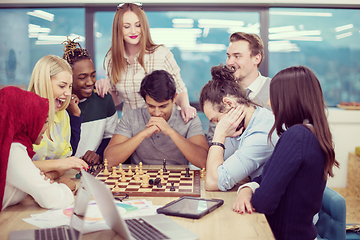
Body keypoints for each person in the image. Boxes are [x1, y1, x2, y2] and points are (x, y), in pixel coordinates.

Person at [232, 66, 339, 240]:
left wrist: (252, 192)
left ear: (290, 99)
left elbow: (263, 202)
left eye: (273, 97)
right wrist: (246, 189)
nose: (268, 103)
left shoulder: (297, 136)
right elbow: (268, 178)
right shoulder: (310, 133)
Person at [101, 3, 196, 124]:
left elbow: (179, 88)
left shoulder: (162, 54)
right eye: (127, 26)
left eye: (138, 25)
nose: (133, 31)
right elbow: (115, 99)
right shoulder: (111, 59)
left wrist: (186, 106)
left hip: (163, 125)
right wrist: (103, 88)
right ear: (118, 28)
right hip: (132, 126)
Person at [104, 70, 208, 168]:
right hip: (139, 181)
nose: (157, 113)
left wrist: (170, 132)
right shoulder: (131, 117)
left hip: (178, 181)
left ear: (174, 98)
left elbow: (204, 162)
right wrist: (143, 134)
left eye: (163, 106)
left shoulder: (188, 119)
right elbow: (108, 161)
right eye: (151, 106)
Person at [199, 65, 278, 191]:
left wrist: (219, 135)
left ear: (229, 103)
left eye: (217, 120)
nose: (217, 126)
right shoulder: (238, 126)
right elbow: (217, 169)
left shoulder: (262, 131)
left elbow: (213, 182)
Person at [0, 86, 76, 211]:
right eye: (44, 121)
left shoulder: (11, 145)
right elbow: (53, 199)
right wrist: (65, 187)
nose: (47, 127)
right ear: (26, 120)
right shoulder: (12, 151)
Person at [28, 55, 88, 180]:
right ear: (41, 82)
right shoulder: (22, 116)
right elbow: (15, 167)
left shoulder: (63, 115)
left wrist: (51, 175)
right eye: (62, 86)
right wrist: (59, 165)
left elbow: (65, 163)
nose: (68, 93)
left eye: (69, 86)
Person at [206, 32, 271, 143]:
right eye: (228, 56)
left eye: (237, 56)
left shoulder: (275, 90)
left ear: (256, 58)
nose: (229, 62)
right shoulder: (222, 92)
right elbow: (212, 139)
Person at [62, 38, 118, 164]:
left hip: (93, 170)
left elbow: (111, 137)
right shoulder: (59, 105)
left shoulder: (104, 99)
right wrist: (73, 114)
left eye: (93, 75)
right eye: (82, 77)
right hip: (64, 170)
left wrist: (98, 154)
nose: (90, 82)